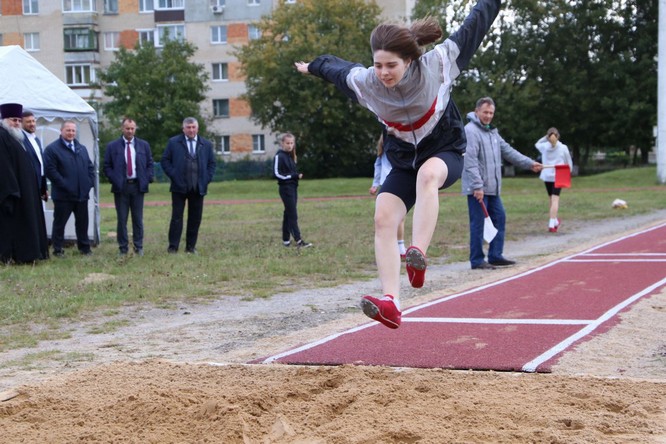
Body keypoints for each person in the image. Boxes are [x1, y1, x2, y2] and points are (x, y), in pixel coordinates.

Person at [295, 0, 502, 329]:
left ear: (409, 59)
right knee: (383, 217)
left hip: (445, 151)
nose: (383, 73)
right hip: (404, 160)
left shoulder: (438, 63)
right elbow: (337, 69)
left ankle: (418, 254)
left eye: (391, 65)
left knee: (428, 175)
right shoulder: (366, 82)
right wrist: (312, 67)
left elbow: (475, 25)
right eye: (378, 65)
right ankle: (391, 302)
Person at [461, 97, 543, 270]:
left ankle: (495, 255)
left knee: (500, 217)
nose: (488, 116)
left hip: (493, 188)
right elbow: (470, 160)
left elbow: (508, 151)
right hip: (478, 189)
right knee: (478, 223)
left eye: (491, 113)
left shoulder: (492, 132)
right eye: (485, 112)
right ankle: (477, 260)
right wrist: (477, 185)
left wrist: (529, 164)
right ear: (477, 112)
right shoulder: (470, 131)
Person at [0, 103, 49, 263]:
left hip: (26, 190)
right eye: (13, 120)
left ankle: (29, 254)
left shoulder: (17, 137)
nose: (17, 123)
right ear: (4, 120)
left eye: (18, 120)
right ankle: (13, 256)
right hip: (14, 192)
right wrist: (12, 191)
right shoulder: (2, 136)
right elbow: (4, 167)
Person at [161, 117, 216, 254]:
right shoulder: (173, 142)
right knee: (176, 218)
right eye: (188, 127)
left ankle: (190, 247)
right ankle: (173, 247)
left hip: (198, 187)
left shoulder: (206, 144)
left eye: (193, 127)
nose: (191, 130)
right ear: (183, 129)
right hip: (179, 187)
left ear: (197, 128)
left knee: (195, 218)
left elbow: (212, 164)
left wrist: (206, 179)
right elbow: (165, 161)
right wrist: (174, 175)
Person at [44, 120, 95, 257]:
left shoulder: (81, 148)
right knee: (60, 224)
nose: (71, 133)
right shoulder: (52, 149)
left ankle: (85, 248)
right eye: (68, 130)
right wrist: (66, 185)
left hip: (82, 194)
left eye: (73, 130)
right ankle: (58, 249)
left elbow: (90, 167)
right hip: (63, 196)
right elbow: (51, 171)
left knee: (82, 223)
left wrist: (88, 183)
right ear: (61, 131)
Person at [103, 118, 154, 256]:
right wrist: (114, 179)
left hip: (137, 186)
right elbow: (107, 166)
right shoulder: (112, 146)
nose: (130, 131)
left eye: (132, 128)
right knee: (122, 219)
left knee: (138, 219)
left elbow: (150, 164)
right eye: (127, 128)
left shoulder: (143, 145)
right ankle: (123, 248)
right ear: (122, 129)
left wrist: (147, 178)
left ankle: (139, 246)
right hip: (121, 187)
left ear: (135, 129)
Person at [369, 133, 406, 258]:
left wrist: (375, 184)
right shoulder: (394, 150)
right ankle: (399, 248)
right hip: (394, 184)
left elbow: (377, 167)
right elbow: (378, 166)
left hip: (386, 185)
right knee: (398, 218)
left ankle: (393, 247)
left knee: (387, 219)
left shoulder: (384, 151)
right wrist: (375, 184)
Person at [273, 132, 313, 248]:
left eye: (291, 143)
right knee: (293, 215)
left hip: (293, 188)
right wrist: (293, 176)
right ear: (282, 143)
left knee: (288, 214)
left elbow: (291, 171)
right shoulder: (279, 156)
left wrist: (296, 175)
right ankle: (299, 241)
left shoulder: (291, 156)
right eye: (287, 143)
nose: (290, 145)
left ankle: (286, 240)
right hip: (286, 189)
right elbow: (277, 174)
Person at [534, 127, 573, 233]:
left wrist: (546, 137)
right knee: (555, 200)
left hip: (547, 175)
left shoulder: (544, 147)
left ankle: (555, 221)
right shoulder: (563, 147)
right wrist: (569, 172)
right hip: (558, 175)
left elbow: (537, 144)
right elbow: (568, 162)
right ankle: (551, 223)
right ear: (558, 136)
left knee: (551, 199)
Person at [21, 111, 48, 202]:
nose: (32, 124)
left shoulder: (36, 139)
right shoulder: (20, 140)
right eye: (28, 122)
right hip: (28, 185)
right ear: (21, 123)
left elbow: (41, 164)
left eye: (33, 121)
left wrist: (44, 187)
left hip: (39, 183)